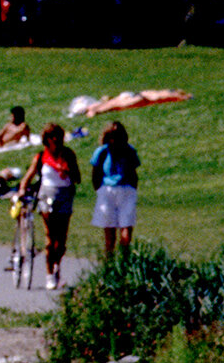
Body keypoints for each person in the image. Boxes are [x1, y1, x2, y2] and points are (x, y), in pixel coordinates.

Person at [15, 123, 82, 290]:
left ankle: (57, 267)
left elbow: (78, 178)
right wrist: (22, 190)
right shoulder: (40, 157)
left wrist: (67, 171)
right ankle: (49, 274)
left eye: (58, 137)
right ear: (47, 140)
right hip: (47, 197)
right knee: (50, 239)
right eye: (52, 137)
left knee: (62, 240)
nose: (56, 140)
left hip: (65, 196)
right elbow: (28, 177)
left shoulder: (68, 154)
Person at [89, 120, 142, 259]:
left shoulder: (129, 151)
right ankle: (110, 262)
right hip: (107, 190)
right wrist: (99, 190)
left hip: (125, 189)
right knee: (109, 233)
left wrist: (132, 189)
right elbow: (96, 173)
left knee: (126, 228)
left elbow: (133, 172)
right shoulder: (102, 151)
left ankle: (124, 260)